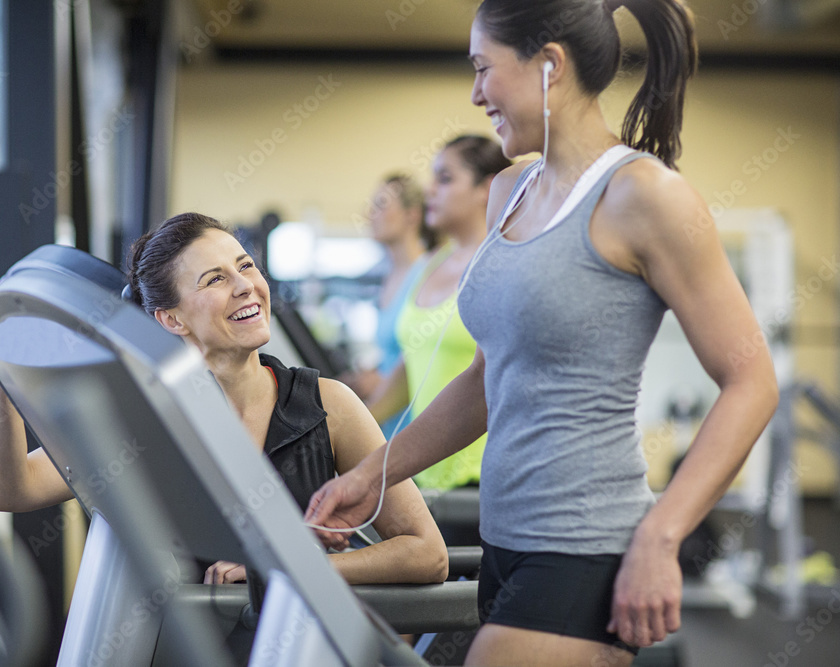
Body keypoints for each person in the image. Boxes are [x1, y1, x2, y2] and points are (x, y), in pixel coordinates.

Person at [305, 1, 779, 666]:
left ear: (549, 64)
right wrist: (371, 476)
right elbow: (485, 379)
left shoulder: (643, 195)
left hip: (586, 545)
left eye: (484, 68)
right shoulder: (509, 191)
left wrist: (661, 535)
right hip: (504, 541)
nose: (476, 94)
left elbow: (751, 381)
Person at [0, 212, 448, 587]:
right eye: (215, 279)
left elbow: (427, 553)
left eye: (245, 266)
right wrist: (1, 360)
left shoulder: (330, 404)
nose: (245, 286)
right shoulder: (137, 418)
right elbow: (8, 491)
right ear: (170, 319)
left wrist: (285, 568)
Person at [367, 136, 510, 496]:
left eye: (445, 179)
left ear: (487, 188)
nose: (430, 190)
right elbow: (411, 364)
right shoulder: (430, 264)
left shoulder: (504, 264)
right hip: (423, 475)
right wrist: (349, 426)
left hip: (482, 478)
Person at [343, 173, 433, 440]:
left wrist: (382, 385)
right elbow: (396, 352)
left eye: (381, 204)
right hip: (388, 425)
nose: (370, 214)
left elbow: (428, 355)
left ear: (412, 215)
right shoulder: (389, 276)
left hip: (416, 422)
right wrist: (373, 374)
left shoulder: (429, 274)